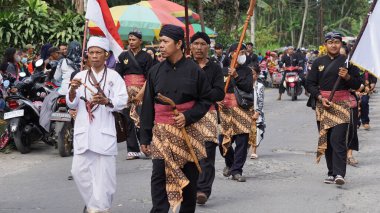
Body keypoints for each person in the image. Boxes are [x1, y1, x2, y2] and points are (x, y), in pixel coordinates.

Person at [140, 24, 212, 213]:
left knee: (189, 177)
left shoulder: (195, 70)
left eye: (165, 41)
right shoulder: (155, 71)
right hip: (162, 132)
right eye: (160, 41)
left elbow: (206, 100)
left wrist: (187, 116)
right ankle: (159, 210)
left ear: (179, 43)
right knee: (158, 175)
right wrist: (145, 137)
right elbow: (148, 105)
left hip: (187, 130)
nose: (160, 45)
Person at [67, 36, 128, 213]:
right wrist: (71, 90)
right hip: (83, 132)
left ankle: (99, 208)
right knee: (78, 172)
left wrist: (106, 101)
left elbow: (122, 100)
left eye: (98, 53)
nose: (94, 56)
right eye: (91, 52)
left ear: (106, 55)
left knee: (105, 177)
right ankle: (96, 205)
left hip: (104, 132)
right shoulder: (79, 76)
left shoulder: (114, 76)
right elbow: (71, 103)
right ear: (87, 55)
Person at [306, 32, 361, 185]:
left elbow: (358, 85)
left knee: (338, 139)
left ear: (341, 44)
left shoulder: (348, 62)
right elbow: (309, 83)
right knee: (328, 140)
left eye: (336, 42)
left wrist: (348, 77)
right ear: (325, 44)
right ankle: (331, 172)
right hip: (323, 105)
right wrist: (319, 97)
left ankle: (339, 174)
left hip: (342, 104)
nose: (333, 45)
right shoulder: (318, 62)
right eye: (330, 42)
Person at [190, 32, 225, 205]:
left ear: (208, 47)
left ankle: (203, 189)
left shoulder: (214, 68)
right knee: (189, 154)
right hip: (187, 115)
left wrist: (202, 95)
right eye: (195, 43)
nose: (198, 47)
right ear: (190, 46)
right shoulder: (185, 66)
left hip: (208, 114)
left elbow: (219, 92)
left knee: (207, 153)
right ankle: (190, 187)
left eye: (202, 44)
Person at [115, 30, 153, 160]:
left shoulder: (147, 57)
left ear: (140, 41)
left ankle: (146, 146)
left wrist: (141, 94)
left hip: (142, 92)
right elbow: (118, 76)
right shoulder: (123, 56)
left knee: (143, 120)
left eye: (134, 40)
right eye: (129, 40)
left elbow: (149, 77)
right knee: (128, 121)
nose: (131, 42)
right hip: (126, 94)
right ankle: (132, 150)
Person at [219, 43, 253, 182]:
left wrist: (237, 76)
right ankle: (230, 163)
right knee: (222, 141)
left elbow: (248, 87)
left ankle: (237, 170)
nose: (242, 55)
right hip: (225, 110)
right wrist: (216, 99)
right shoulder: (222, 70)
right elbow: (215, 88)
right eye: (239, 52)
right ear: (231, 53)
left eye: (244, 52)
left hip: (242, 109)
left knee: (242, 141)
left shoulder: (247, 71)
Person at [249, 65, 266, 159]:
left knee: (255, 131)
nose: (251, 76)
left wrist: (258, 112)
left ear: (257, 75)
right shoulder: (243, 85)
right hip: (245, 111)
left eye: (253, 74)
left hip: (255, 111)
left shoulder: (260, 86)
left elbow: (260, 100)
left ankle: (254, 150)